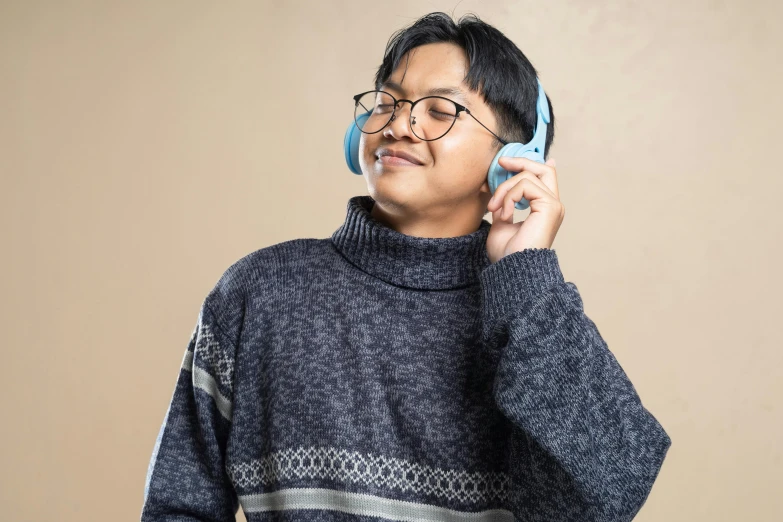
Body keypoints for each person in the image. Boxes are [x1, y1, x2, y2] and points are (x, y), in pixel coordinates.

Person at [141, 11, 671, 522]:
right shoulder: (257, 291)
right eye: (387, 102)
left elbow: (605, 497)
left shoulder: (531, 313)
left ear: (510, 158)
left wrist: (526, 274)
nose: (399, 124)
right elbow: (177, 506)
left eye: (441, 110)